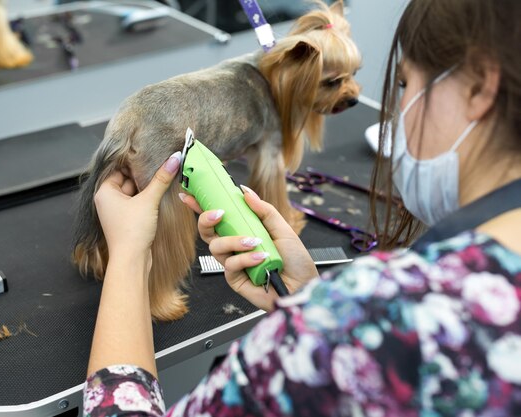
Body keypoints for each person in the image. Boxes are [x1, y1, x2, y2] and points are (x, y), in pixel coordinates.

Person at [83, 0, 521, 415]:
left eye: (405, 82)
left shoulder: (357, 321)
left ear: (481, 88)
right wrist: (309, 298)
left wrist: (128, 255)